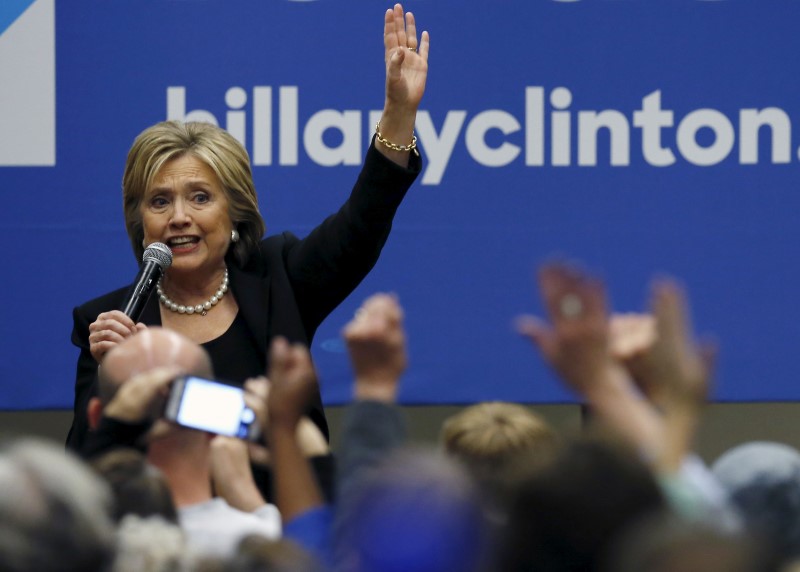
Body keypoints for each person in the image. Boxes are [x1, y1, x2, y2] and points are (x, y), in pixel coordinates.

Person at [66, 3, 430, 452]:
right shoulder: (108, 324)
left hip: (279, 515)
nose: (179, 216)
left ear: (234, 210)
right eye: (160, 201)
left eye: (200, 197)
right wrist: (113, 377)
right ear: (140, 220)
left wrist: (398, 113)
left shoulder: (280, 281)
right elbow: (83, 462)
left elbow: (362, 224)